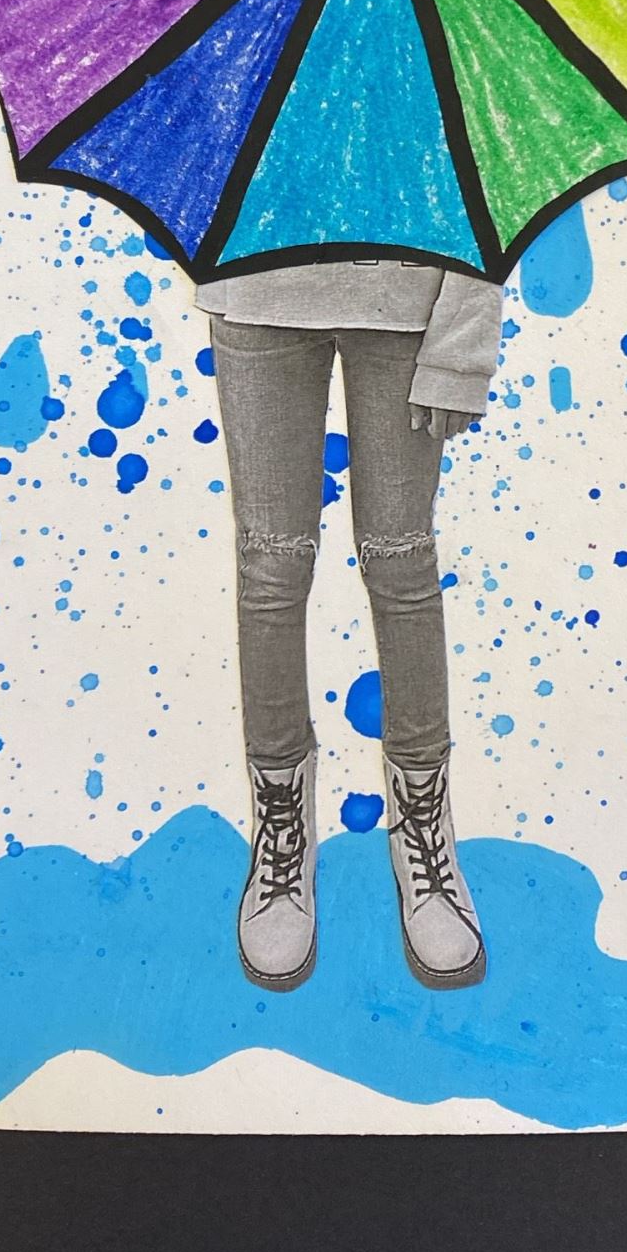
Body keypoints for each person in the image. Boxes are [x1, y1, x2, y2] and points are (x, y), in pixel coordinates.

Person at [196, 254, 503, 994]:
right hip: (258, 289)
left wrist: (462, 343)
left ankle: (423, 822)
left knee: (401, 567)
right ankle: (281, 822)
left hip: (407, 299)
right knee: (270, 572)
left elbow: (484, 189)